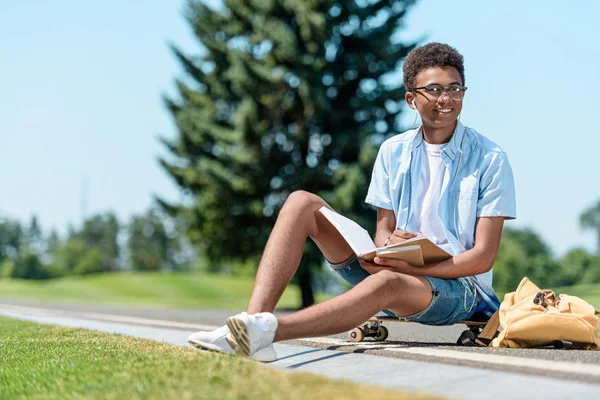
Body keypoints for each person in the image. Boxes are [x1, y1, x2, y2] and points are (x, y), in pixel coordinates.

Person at [188, 42, 516, 362]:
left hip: (459, 290)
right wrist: (385, 252)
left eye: (455, 88)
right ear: (411, 99)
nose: (446, 99)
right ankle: (253, 320)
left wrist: (413, 267)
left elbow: (482, 258)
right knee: (301, 202)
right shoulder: (393, 151)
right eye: (433, 89)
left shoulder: (489, 159)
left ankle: (266, 332)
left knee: (389, 280)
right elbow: (384, 231)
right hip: (395, 272)